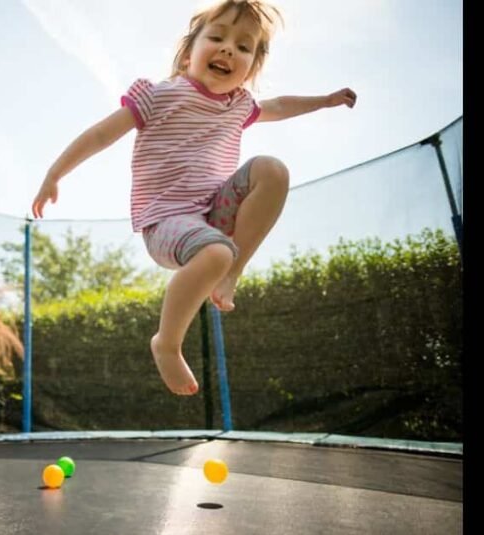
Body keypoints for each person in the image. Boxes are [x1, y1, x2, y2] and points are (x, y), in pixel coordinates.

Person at [31, 0, 357, 396]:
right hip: (166, 220)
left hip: (213, 213)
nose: (227, 50)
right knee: (216, 253)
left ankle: (231, 275)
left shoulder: (240, 106)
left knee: (272, 170)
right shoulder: (158, 95)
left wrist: (324, 100)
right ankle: (166, 343)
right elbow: (101, 134)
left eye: (242, 47)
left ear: (251, 69)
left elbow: (280, 104)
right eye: (217, 38)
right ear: (188, 55)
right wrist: (54, 173)